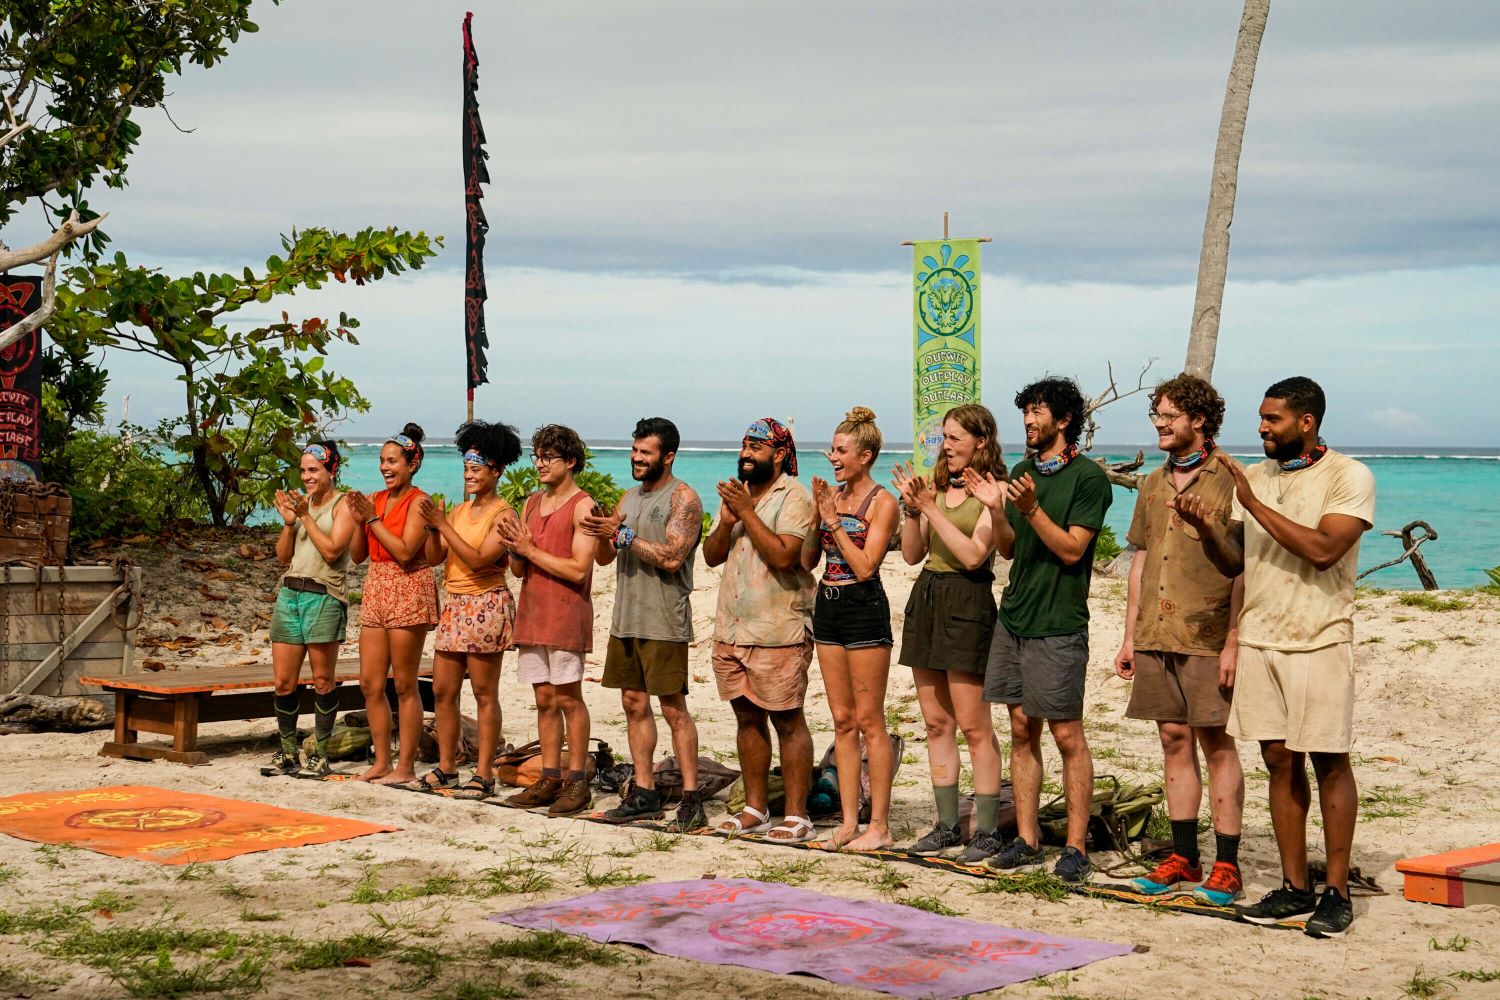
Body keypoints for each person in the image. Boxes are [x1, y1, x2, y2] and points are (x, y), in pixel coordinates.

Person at [1175, 376, 1374, 938]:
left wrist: (1252, 504)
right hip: (1261, 636)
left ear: (1306, 421)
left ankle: (1335, 892)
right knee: (1278, 760)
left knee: (1329, 760)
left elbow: (1322, 549)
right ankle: (1294, 887)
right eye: (1261, 418)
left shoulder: (1348, 476)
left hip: (1321, 637)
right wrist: (1207, 528)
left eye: (1273, 419)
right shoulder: (1257, 479)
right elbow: (1236, 560)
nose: (1262, 428)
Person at [1112, 374, 1246, 904]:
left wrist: (1234, 640)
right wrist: (1128, 636)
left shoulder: (1232, 478)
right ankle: (1185, 857)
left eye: (1170, 416)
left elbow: (1242, 569)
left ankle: (1228, 863)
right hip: (1156, 631)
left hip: (1209, 632)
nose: (1160, 424)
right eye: (1157, 415)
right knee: (1172, 739)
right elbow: (1141, 559)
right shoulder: (1152, 482)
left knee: (1217, 742)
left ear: (1199, 420)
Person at [978, 377, 1111, 883]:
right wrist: (997, 510)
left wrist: (1031, 508)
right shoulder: (1020, 471)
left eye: (1038, 413)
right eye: (1026, 412)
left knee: (1066, 734)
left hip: (1058, 624)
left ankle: (1076, 847)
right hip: (1013, 618)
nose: (1029, 421)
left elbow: (1075, 549)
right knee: (1018, 728)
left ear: (1063, 420)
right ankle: (1027, 840)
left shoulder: (1088, 479)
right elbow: (1010, 548)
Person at [891, 403, 1008, 862]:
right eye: (944, 437)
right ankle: (945, 825)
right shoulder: (936, 487)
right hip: (929, 597)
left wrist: (929, 510)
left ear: (981, 441)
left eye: (956, 437)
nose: (946, 445)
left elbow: (975, 555)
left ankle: (986, 831)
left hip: (968, 600)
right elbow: (912, 555)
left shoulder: (993, 492)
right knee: (936, 722)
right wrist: (910, 510)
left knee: (975, 725)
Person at [583, 417, 707, 830]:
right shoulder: (629, 497)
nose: (637, 458)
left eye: (646, 452)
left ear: (667, 456)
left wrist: (624, 537)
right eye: (635, 450)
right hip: (626, 618)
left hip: (663, 620)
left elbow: (673, 556)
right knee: (633, 705)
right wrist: (604, 533)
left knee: (674, 709)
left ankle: (692, 798)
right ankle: (645, 792)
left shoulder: (683, 499)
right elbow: (605, 558)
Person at [704, 417, 818, 844]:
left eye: (757, 446)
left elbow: (786, 556)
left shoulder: (794, 497)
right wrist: (726, 519)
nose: (747, 452)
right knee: (746, 717)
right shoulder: (737, 497)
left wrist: (748, 513)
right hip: (732, 626)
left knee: (788, 720)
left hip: (779, 626)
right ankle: (756, 808)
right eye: (745, 444)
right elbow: (713, 555)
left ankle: (796, 813)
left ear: (780, 453)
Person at [800, 407, 899, 851]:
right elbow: (807, 562)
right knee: (841, 720)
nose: (833, 457)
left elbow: (864, 566)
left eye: (841, 451)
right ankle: (846, 822)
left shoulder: (883, 503)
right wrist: (815, 516)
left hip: (863, 607)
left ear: (866, 455)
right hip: (828, 606)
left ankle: (878, 824)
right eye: (832, 449)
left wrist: (835, 522)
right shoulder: (829, 499)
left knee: (869, 720)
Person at [417, 420, 523, 799]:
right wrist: (434, 528)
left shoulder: (504, 514)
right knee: (443, 690)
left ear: (496, 470)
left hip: (486, 604)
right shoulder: (459, 512)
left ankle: (484, 773)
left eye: (476, 469)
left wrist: (442, 524)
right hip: (455, 604)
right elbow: (434, 558)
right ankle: (447, 766)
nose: (469, 475)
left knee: (483, 692)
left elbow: (479, 560)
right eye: (466, 468)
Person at [496, 424, 598, 817]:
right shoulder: (532, 503)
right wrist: (515, 549)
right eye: (536, 456)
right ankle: (549, 777)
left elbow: (577, 569)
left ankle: (576, 782)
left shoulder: (583, 506)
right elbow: (520, 569)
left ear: (569, 461)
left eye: (548, 457)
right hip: (534, 611)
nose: (539, 464)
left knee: (569, 698)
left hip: (566, 613)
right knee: (542, 699)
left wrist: (527, 549)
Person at [346, 424, 439, 785]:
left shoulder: (420, 502)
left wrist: (371, 517)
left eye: (393, 462)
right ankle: (381, 761)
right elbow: (357, 557)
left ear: (412, 464)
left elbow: (403, 551)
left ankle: (405, 766)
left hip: (408, 585)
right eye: (382, 461)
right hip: (376, 586)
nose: (385, 468)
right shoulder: (377, 500)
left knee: (403, 684)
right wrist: (359, 522)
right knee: (370, 683)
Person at [262, 441, 357, 778]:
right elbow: (283, 557)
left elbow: (333, 552)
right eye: (303, 470)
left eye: (314, 470)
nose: (307, 477)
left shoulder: (343, 504)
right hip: (290, 594)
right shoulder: (302, 508)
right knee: (284, 682)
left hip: (324, 596)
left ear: (331, 470)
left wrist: (304, 515)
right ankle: (287, 751)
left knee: (322, 680)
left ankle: (320, 751)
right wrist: (290, 523)